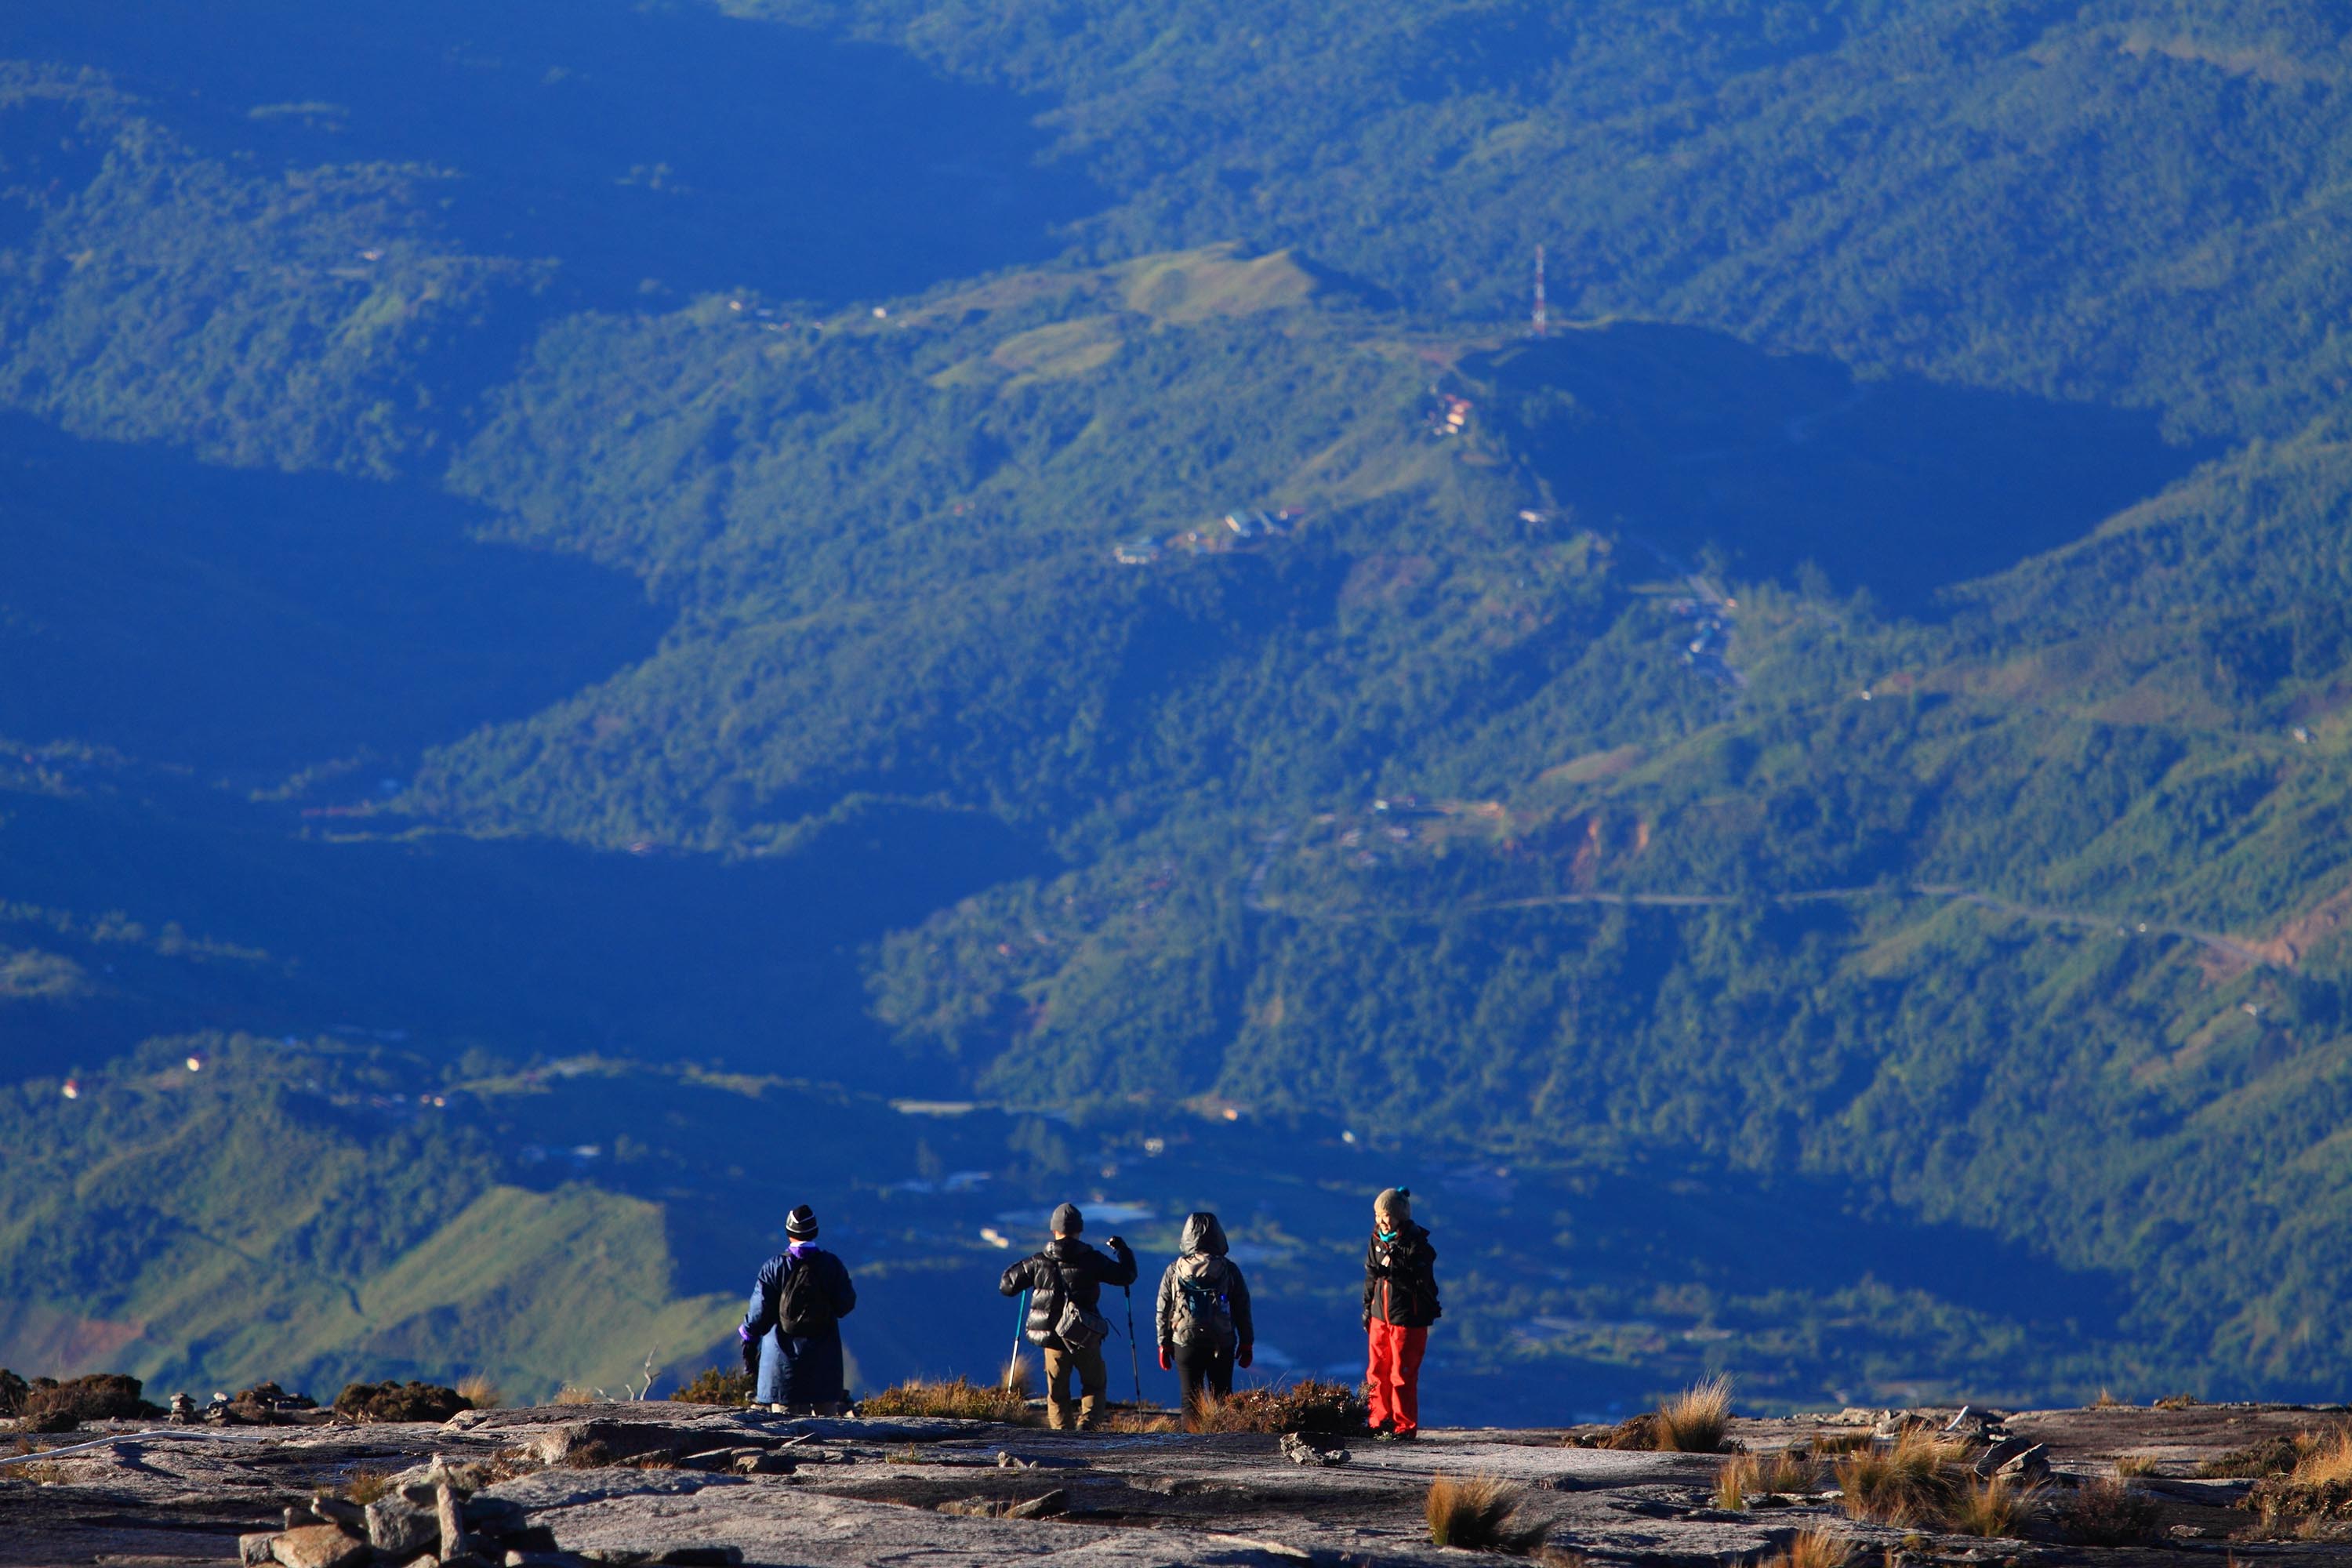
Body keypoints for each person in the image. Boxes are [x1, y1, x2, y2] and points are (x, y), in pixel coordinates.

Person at [998, 1202, 1137, 1430]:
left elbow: (1007, 1285)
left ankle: (1062, 1433)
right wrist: (1122, 1250)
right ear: (1079, 1230)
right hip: (1085, 1334)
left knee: (1057, 1392)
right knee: (1094, 1384)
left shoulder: (1039, 1261)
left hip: (1052, 1337)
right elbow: (1127, 1275)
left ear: (1054, 1230)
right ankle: (1088, 1427)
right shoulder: (1092, 1259)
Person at [739, 1204, 858, 1415]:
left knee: (785, 1434)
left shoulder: (774, 1267)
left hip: (781, 1368)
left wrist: (748, 1338)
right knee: (829, 1433)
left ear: (789, 1233)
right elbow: (845, 1304)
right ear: (815, 1231)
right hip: (824, 1366)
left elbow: (759, 1313)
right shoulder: (831, 1265)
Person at [1155, 1210, 1253, 1420]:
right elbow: (1242, 1308)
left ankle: (1191, 1446)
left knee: (1190, 1399)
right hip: (1222, 1341)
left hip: (1185, 1341)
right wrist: (1246, 1343)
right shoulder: (1229, 1270)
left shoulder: (1175, 1270)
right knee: (1222, 1397)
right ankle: (1223, 1444)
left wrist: (1163, 1343)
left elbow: (1163, 1309)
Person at [1362, 1186, 1439, 1439]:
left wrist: (1397, 1268)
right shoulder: (1377, 1241)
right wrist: (1367, 1310)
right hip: (1379, 1317)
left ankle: (1403, 1427)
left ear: (1399, 1217)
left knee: (1401, 1374)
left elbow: (1422, 1283)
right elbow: (1371, 1278)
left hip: (1407, 1320)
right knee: (1376, 1371)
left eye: (1387, 1215)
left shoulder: (1416, 1245)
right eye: (1378, 1215)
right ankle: (1378, 1421)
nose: (1381, 1221)